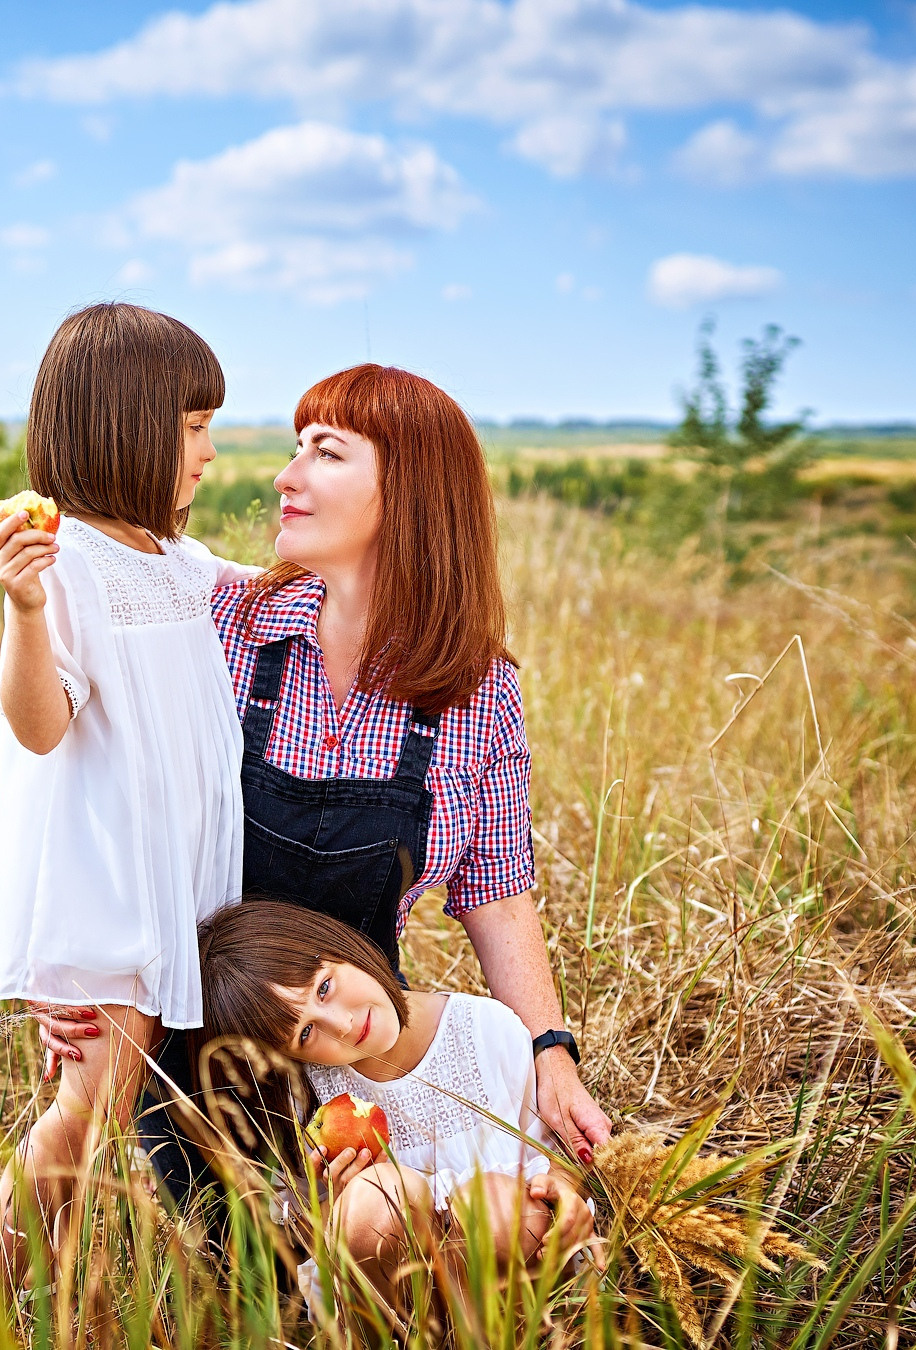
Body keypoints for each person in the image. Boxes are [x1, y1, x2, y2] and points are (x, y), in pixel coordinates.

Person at [39, 363, 612, 1201]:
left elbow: (497, 892)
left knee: (388, 1268)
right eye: (296, 447)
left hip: (351, 1048)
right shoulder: (218, 625)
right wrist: (73, 968)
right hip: (196, 1052)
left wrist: (549, 1051)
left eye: (326, 453)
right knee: (244, 1287)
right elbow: (88, 779)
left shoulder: (477, 688)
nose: (286, 475)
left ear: (409, 493)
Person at [0, 303, 242, 1279]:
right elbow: (37, 722)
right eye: (193, 428)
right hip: (109, 897)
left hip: (166, 893)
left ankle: (46, 1301)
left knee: (103, 1122)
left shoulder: (174, 560)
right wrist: (25, 608)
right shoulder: (73, 569)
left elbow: (276, 590)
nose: (211, 454)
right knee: (81, 1125)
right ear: (126, 426)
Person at [198, 901, 592, 1301]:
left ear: (339, 944)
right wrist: (339, 1207)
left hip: (514, 1289)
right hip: (398, 1308)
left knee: (493, 1209)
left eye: (324, 987)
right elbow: (300, 1229)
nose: (344, 1025)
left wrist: (565, 1192)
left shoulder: (486, 1031)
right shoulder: (310, 1101)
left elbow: (556, 1154)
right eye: (306, 1034)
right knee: (371, 1200)